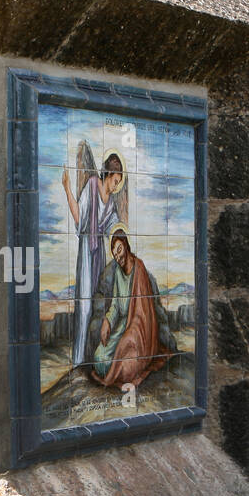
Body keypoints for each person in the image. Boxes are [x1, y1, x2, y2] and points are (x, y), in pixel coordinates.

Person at [63, 149, 126, 366]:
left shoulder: (111, 202)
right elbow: (79, 217)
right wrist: (66, 189)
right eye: (115, 180)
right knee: (84, 307)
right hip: (87, 251)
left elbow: (114, 227)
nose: (116, 185)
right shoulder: (91, 185)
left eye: (119, 182)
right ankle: (79, 360)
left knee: (98, 304)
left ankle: (91, 357)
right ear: (108, 174)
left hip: (99, 250)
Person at [92, 229, 173, 388]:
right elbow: (115, 304)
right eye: (115, 254)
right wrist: (107, 321)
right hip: (123, 324)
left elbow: (142, 314)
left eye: (119, 250)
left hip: (138, 330)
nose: (118, 256)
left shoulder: (139, 269)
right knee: (99, 359)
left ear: (126, 246)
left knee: (127, 368)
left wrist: (129, 336)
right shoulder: (117, 272)